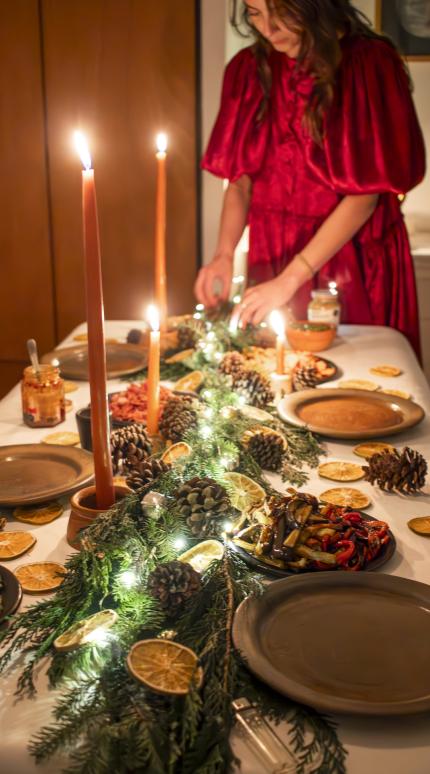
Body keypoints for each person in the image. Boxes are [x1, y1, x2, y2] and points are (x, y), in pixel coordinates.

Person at [195, 0, 425, 357]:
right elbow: (241, 182)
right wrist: (223, 255)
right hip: (272, 254)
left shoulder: (368, 64)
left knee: (358, 386)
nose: (269, 30)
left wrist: (289, 280)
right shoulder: (248, 70)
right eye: (255, 13)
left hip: (352, 256)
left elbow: (366, 197)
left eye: (282, 13)